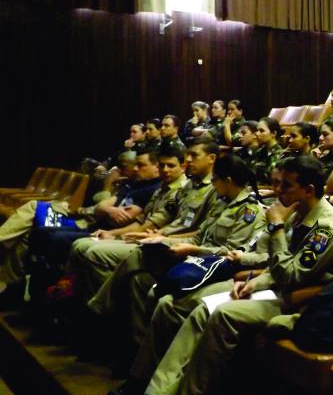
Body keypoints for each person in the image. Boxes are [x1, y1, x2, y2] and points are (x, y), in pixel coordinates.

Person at [104, 156, 333, 395]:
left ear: (309, 189)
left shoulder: (328, 229)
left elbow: (290, 274)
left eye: (287, 185)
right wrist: (249, 276)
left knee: (223, 314)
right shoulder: (300, 212)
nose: (279, 191)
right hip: (276, 289)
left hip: (306, 304)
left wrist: (274, 230)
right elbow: (275, 261)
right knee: (192, 307)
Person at [86, 154, 266, 361]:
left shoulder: (249, 210)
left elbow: (230, 253)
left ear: (228, 181)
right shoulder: (222, 202)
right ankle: (136, 349)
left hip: (210, 267)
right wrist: (158, 239)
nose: (213, 184)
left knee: (138, 256)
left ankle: (97, 312)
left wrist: (192, 250)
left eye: (215, 179)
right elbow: (199, 236)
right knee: (140, 279)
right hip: (191, 257)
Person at [79, 141, 219, 309]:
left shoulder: (215, 189)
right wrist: (154, 234)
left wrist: (160, 236)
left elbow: (201, 233)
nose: (188, 159)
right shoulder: (189, 185)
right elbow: (165, 216)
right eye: (187, 155)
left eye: (194, 155)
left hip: (182, 247)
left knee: (98, 253)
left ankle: (99, 309)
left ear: (211, 159)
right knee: (90, 249)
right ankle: (98, 306)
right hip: (161, 238)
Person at [0, 151, 162, 292]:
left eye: (141, 165)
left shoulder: (153, 190)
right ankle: (9, 283)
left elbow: (123, 217)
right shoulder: (133, 184)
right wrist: (109, 209)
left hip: (96, 228)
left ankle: (10, 282)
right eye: (134, 165)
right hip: (89, 220)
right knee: (29, 228)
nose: (135, 169)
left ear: (156, 167)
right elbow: (103, 205)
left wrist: (108, 212)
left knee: (34, 220)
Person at [251, 117, 284, 185]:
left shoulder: (279, 154)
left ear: (273, 133)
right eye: (257, 130)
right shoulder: (260, 151)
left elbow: (272, 181)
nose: (257, 133)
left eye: (261, 131)